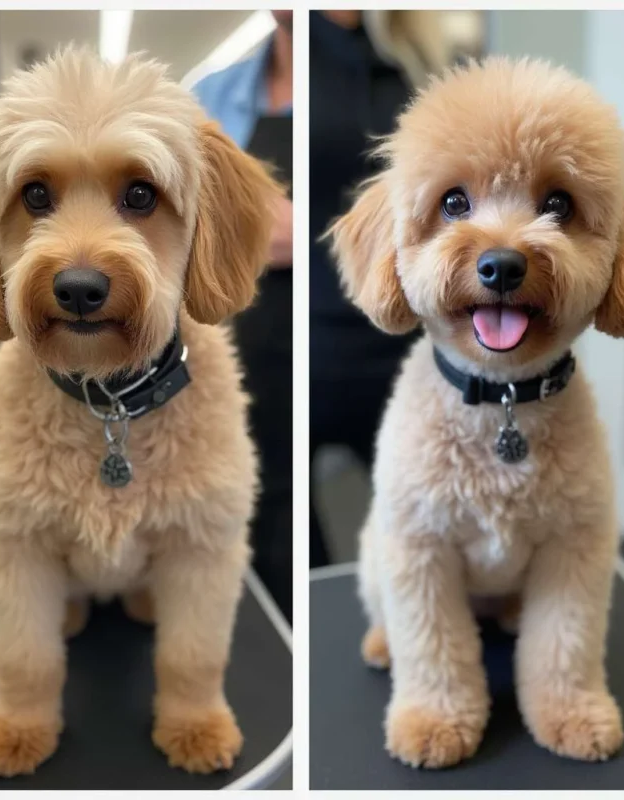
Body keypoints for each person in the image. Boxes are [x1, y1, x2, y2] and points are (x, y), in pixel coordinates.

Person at [309, 11, 448, 567]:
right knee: (290, 526)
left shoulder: (411, 56)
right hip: (308, 340)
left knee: (422, 518)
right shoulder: (290, 56)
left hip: (404, 341)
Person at [193, 10, 293, 621]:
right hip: (233, 353)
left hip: (333, 354)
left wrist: (303, 234)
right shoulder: (211, 94)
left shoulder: (384, 87)